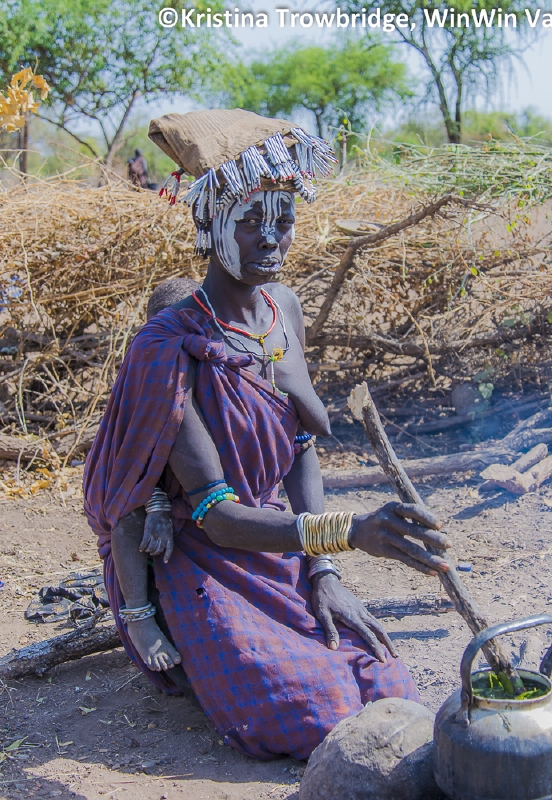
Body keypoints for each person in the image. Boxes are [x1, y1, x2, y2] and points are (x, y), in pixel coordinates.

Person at [84, 109, 451, 761]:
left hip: (281, 543)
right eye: (250, 220)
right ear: (209, 225)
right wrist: (349, 533)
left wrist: (324, 571)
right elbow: (218, 518)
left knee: (388, 686)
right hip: (203, 559)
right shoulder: (169, 347)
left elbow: (300, 447)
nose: (272, 237)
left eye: (284, 218)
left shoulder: (284, 310)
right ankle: (164, 632)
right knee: (317, 713)